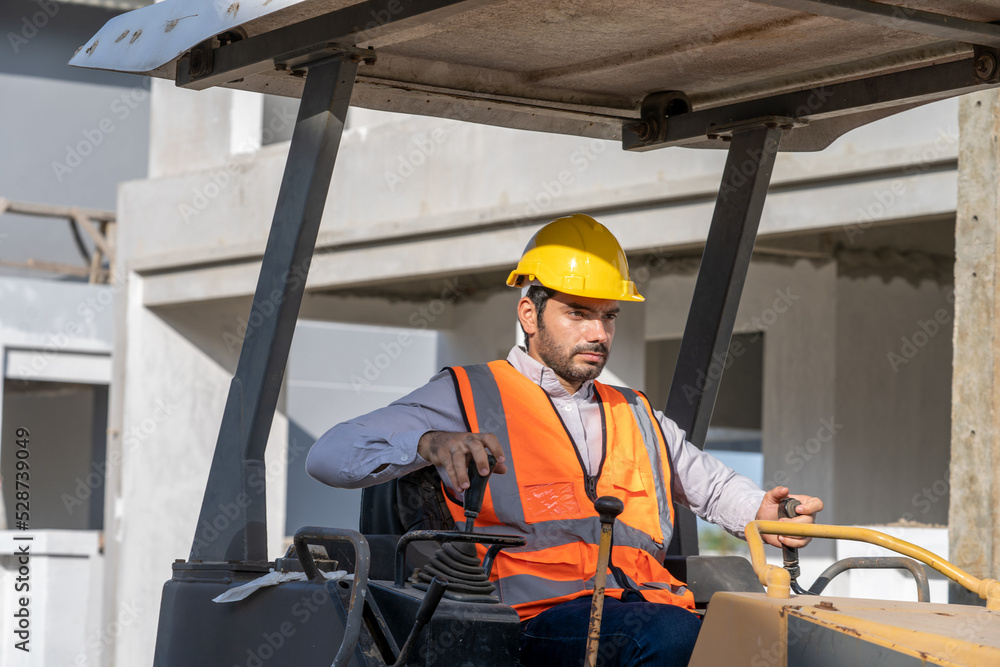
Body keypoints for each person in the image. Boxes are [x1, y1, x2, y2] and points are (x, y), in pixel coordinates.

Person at [306, 213, 824, 667]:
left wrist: (765, 513)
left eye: (608, 315)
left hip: (648, 607)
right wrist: (429, 443)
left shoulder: (637, 412)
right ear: (529, 315)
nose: (598, 333)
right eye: (578, 313)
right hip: (528, 619)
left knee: (794, 636)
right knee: (668, 636)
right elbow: (329, 455)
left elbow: (715, 488)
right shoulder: (467, 393)